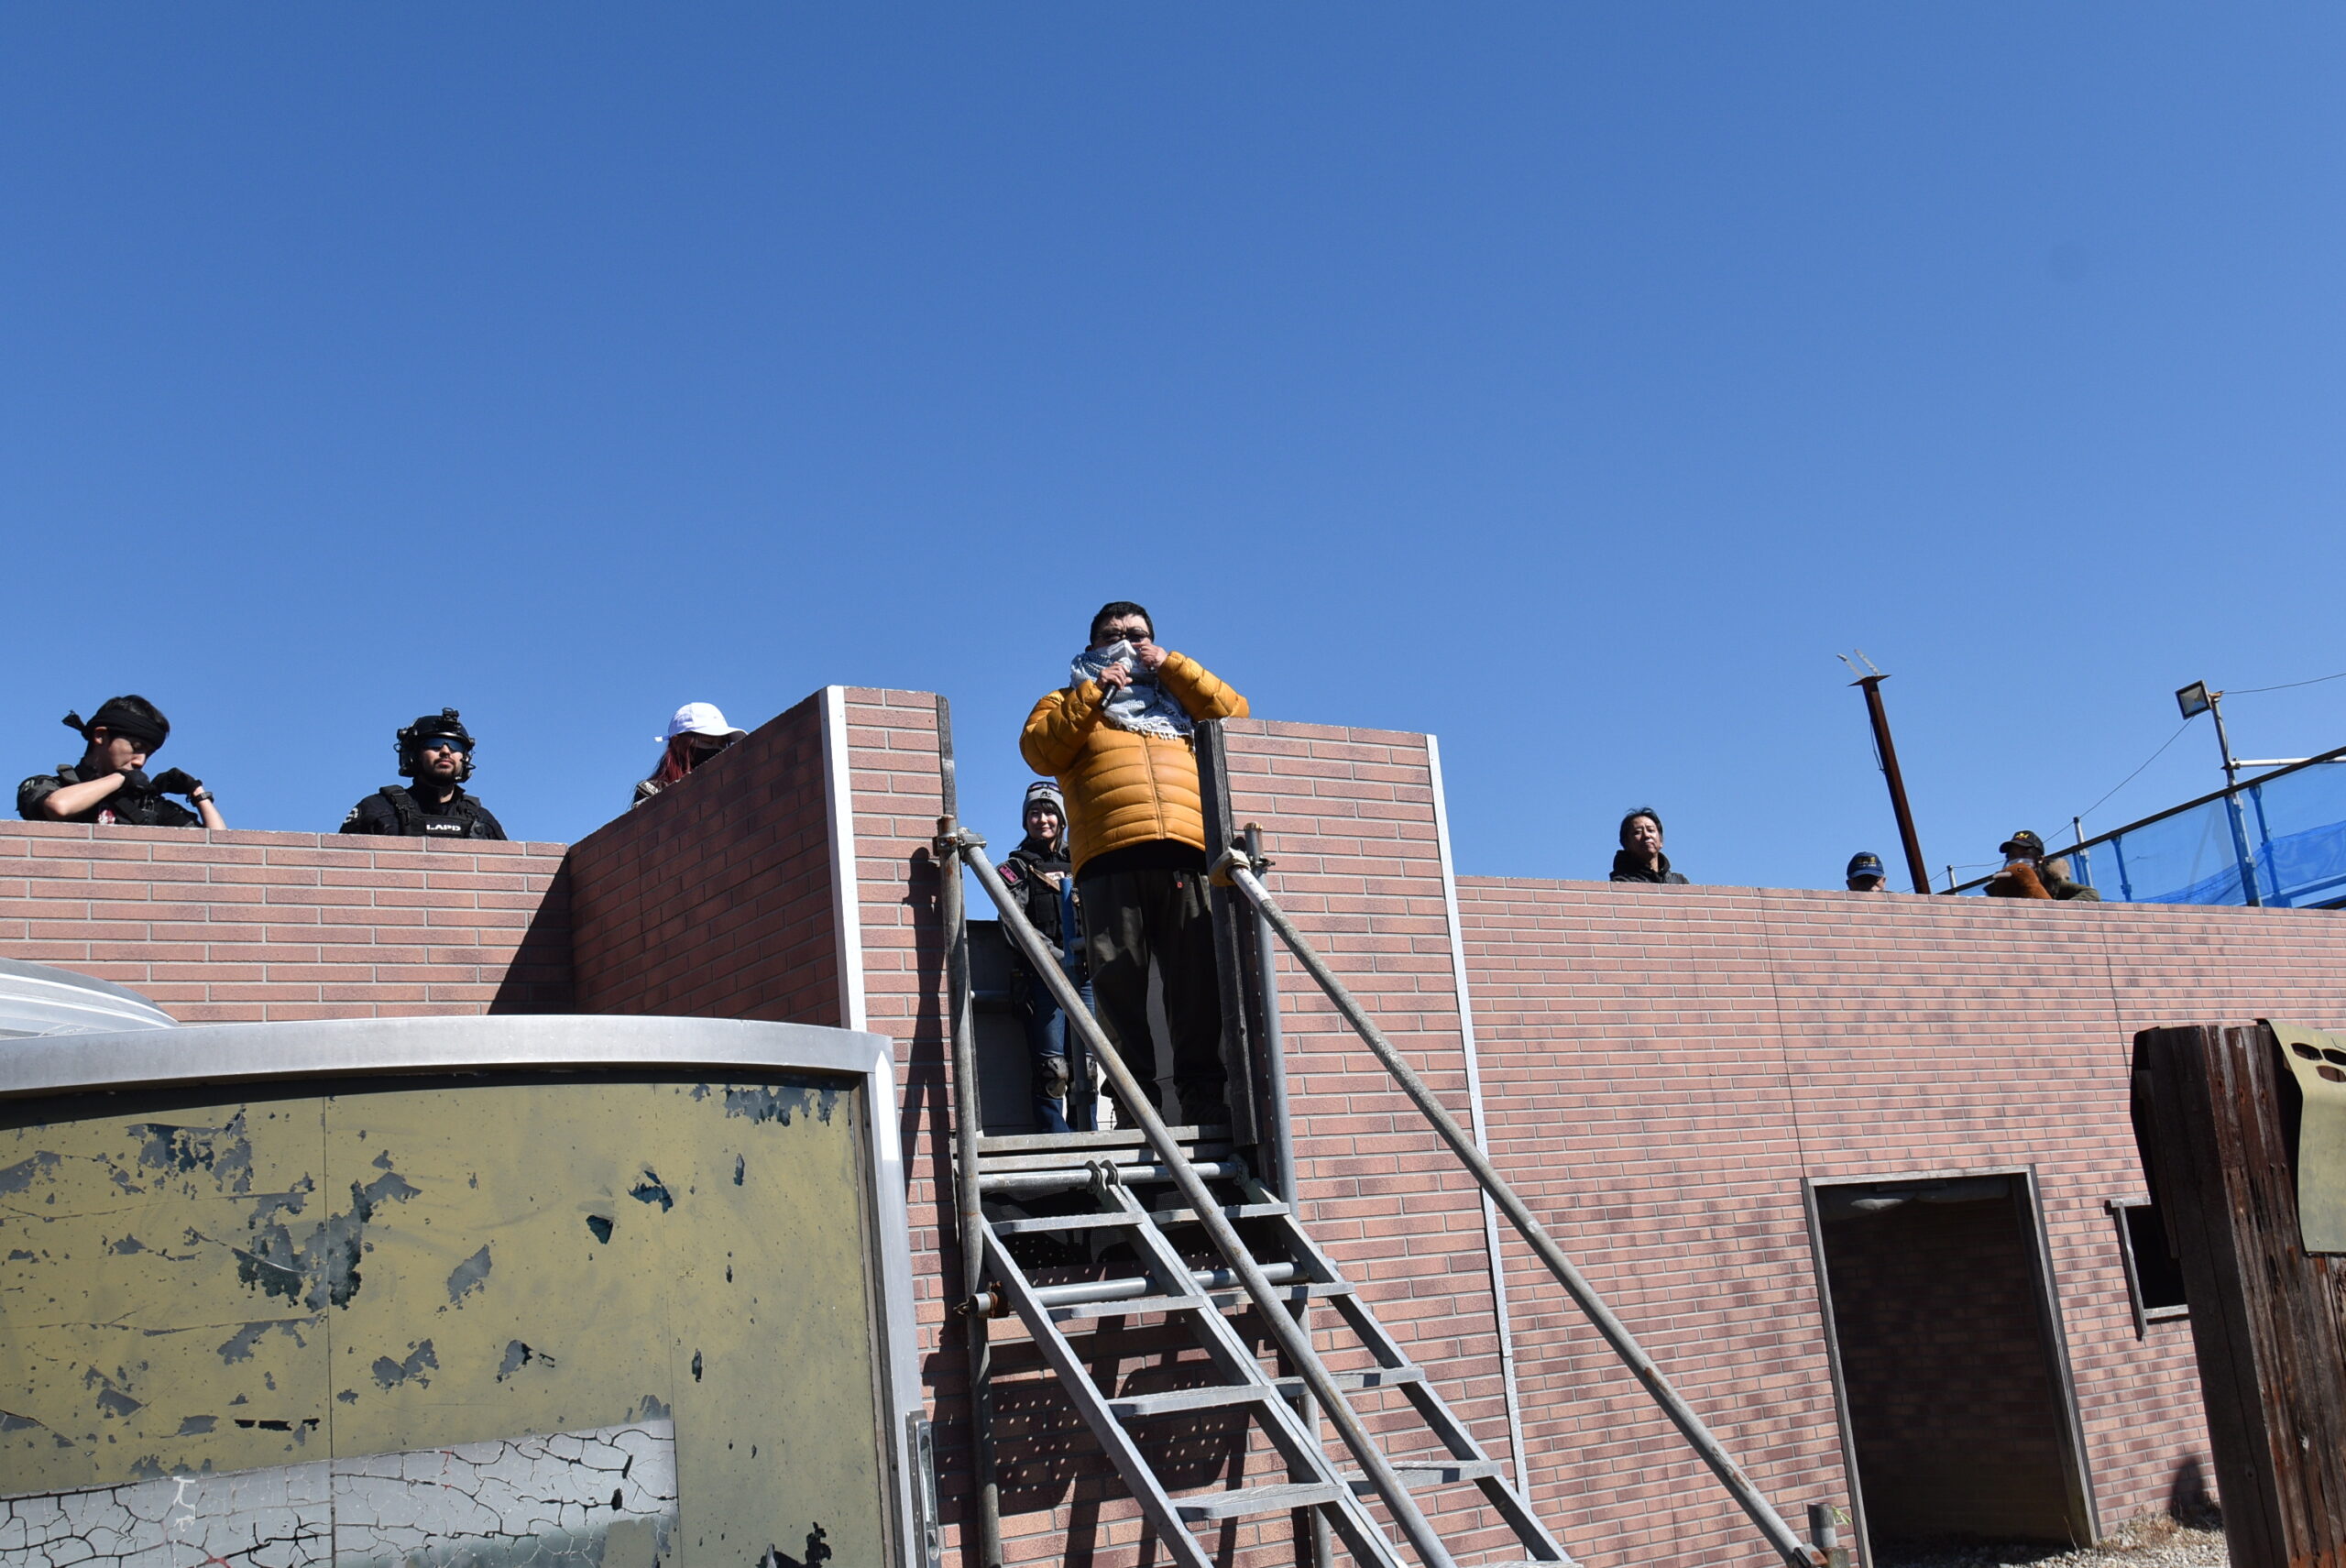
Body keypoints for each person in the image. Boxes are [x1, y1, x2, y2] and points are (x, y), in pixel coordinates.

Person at [1021, 600, 1248, 1124]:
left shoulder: (1178, 698)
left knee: (1196, 989)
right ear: (1092, 646)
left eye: (1137, 634)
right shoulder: (1066, 699)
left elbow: (1236, 720)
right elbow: (1040, 752)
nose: (1125, 642)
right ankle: (1132, 1108)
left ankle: (1204, 1102)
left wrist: (1173, 666)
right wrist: (1096, 692)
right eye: (1112, 635)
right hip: (1108, 863)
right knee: (1119, 993)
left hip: (1187, 858)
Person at [996, 782, 1091, 1134]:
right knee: (1053, 1070)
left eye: (1050, 812)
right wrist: (1053, 955)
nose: (1042, 819)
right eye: (1034, 813)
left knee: (1087, 1065)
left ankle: (1089, 1136)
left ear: (1062, 819)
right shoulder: (1015, 868)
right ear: (1025, 821)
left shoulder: (1083, 862)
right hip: (1042, 976)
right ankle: (1057, 1140)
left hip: (1086, 975)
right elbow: (1011, 922)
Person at [19, 696, 225, 829]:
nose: (140, 761)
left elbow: (220, 849)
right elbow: (59, 807)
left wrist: (198, 793)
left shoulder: (147, 806)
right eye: (136, 747)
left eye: (149, 753)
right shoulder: (49, 786)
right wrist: (120, 778)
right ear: (100, 736)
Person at [340, 709, 508, 839]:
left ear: (465, 758)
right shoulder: (378, 810)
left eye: (455, 746)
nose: (445, 751)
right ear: (414, 754)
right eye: (435, 744)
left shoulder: (482, 819)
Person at [634, 702, 748, 808]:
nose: (717, 750)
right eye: (708, 742)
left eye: (722, 744)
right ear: (677, 743)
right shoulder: (655, 793)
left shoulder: (733, 791)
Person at [1984, 829, 2102, 901]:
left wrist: (2059, 911)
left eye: (2025, 854)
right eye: (2013, 855)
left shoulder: (2052, 880)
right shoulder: (2000, 885)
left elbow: (2091, 894)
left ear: (2040, 859)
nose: (2018, 860)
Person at [1609, 807, 1690, 884]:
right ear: (1626, 843)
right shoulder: (1621, 883)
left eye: (1651, 830)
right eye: (1637, 832)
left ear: (1661, 841)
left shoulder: (1679, 882)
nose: (1646, 835)